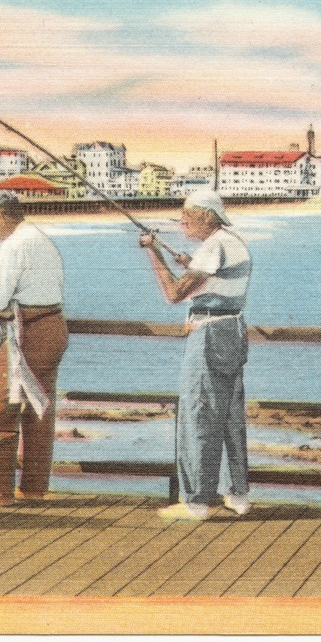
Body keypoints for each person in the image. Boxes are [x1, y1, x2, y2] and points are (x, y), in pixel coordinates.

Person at [139, 190, 253, 521]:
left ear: (207, 216)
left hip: (209, 336)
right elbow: (218, 281)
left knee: (198, 415)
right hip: (233, 331)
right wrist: (192, 265)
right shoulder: (232, 243)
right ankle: (238, 495)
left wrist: (153, 252)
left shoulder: (213, 246)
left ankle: (197, 502)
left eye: (187, 214)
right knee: (230, 415)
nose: (182, 220)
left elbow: (174, 294)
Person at [0, 192, 67, 505]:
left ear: (1, 216)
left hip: (30, 332)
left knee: (5, 409)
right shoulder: (39, 238)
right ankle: (34, 487)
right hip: (53, 326)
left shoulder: (13, 244)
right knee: (40, 410)